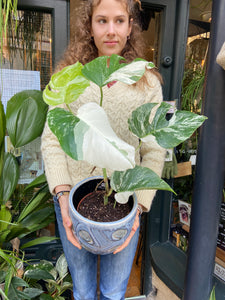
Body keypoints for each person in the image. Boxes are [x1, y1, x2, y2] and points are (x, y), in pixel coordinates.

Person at [41, 0, 166, 299]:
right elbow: (52, 139)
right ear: (89, 26)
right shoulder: (69, 78)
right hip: (74, 203)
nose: (111, 31)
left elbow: (154, 149)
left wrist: (141, 208)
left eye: (119, 21)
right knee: (83, 291)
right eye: (102, 21)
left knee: (113, 291)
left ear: (130, 26)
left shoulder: (146, 82)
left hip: (124, 205)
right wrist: (61, 197)